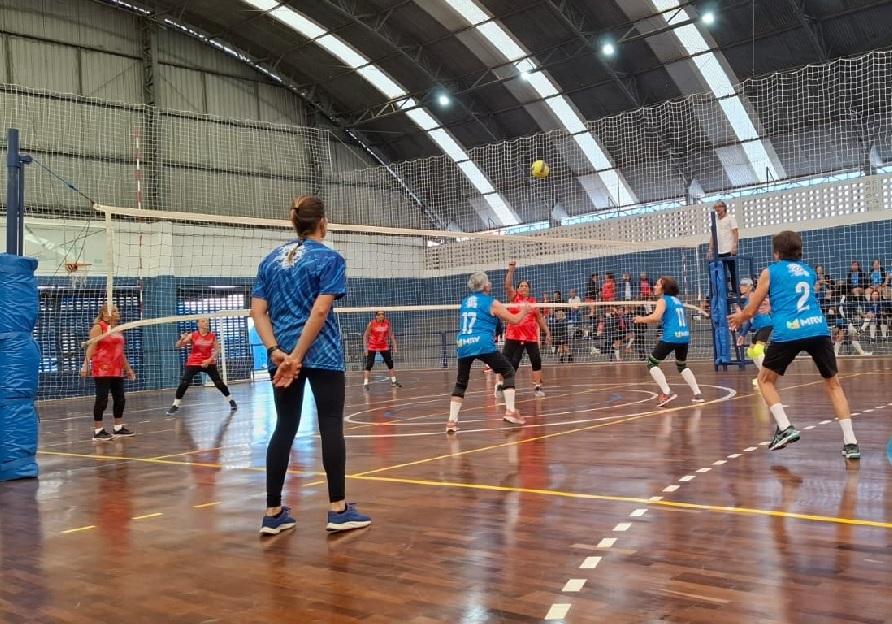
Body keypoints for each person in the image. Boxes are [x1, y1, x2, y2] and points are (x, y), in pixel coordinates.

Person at [251, 195, 371, 535]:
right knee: (331, 424)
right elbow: (320, 311)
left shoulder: (270, 260)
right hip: (322, 354)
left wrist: (277, 351)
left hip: (282, 355)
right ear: (322, 222)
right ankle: (337, 510)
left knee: (285, 428)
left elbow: (258, 312)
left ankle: (273, 513)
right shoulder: (329, 258)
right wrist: (298, 357)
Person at [728, 230, 860, 459]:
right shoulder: (808, 271)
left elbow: (751, 309)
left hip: (790, 330)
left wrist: (740, 318)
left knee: (765, 380)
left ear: (777, 253)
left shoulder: (770, 271)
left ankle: (785, 426)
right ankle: (851, 443)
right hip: (818, 328)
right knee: (834, 385)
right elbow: (795, 296)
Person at [447, 271, 531, 433]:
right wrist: (524, 311)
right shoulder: (491, 302)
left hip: (463, 342)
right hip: (482, 343)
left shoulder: (465, 302)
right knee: (508, 370)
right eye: (488, 281)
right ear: (486, 285)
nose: (490, 283)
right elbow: (514, 320)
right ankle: (510, 411)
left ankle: (451, 421)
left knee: (461, 383)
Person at [633, 276, 705, 406]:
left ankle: (667, 392)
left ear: (664, 288)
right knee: (682, 365)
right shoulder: (677, 300)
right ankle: (698, 393)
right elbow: (668, 318)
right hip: (683, 336)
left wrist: (640, 319)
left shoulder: (662, 300)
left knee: (651, 363)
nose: (654, 286)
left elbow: (656, 317)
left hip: (671, 336)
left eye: (657, 284)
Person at [494, 261, 551, 399]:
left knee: (536, 360)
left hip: (530, 337)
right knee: (510, 361)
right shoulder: (514, 298)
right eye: (521, 286)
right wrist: (511, 270)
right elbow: (507, 285)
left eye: (526, 286)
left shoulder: (533, 302)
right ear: (518, 289)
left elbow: (539, 319)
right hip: (513, 335)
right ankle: (500, 384)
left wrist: (547, 332)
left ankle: (538, 387)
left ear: (529, 289)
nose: (524, 287)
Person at [80, 304, 136, 441]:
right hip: (102, 368)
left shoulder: (118, 329)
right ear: (105, 314)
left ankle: (118, 427)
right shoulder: (99, 327)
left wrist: (128, 369)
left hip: (116, 369)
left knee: (120, 398)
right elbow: (91, 348)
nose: (118, 312)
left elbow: (120, 352)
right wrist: (85, 366)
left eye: (118, 310)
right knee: (102, 399)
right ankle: (98, 430)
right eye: (115, 311)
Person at [166, 317, 237, 415]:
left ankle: (231, 400)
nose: (206, 322)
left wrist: (209, 360)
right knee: (184, 383)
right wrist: (182, 339)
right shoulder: (193, 335)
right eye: (203, 321)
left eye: (207, 321)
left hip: (208, 362)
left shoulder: (212, 336)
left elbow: (217, 350)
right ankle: (175, 405)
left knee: (218, 382)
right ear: (198, 324)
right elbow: (178, 346)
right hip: (194, 363)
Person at [735, 277, 773, 386]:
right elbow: (750, 320)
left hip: (766, 325)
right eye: (741, 284)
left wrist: (740, 315)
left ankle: (765, 377)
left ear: (751, 287)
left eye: (744, 285)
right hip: (760, 327)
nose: (741, 286)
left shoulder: (753, 297)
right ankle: (763, 374)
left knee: (758, 350)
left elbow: (749, 315)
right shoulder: (748, 300)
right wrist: (742, 334)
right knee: (751, 352)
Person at [362, 311, 401, 390]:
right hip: (372, 346)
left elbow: (391, 334)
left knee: (390, 363)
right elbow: (365, 336)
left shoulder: (387, 323)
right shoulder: (371, 323)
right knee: (369, 364)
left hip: (384, 346)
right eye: (379, 314)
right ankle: (365, 383)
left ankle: (394, 381)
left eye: (383, 314)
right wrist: (365, 348)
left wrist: (395, 345)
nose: (382, 316)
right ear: (376, 316)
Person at [706, 201, 739, 290]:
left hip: (729, 250)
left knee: (733, 272)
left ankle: (735, 290)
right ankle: (723, 291)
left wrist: (734, 245)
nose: (717, 209)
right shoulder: (715, 221)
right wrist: (710, 249)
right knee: (720, 273)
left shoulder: (730, 218)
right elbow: (713, 236)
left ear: (724, 207)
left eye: (719, 206)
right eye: (715, 207)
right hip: (719, 251)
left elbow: (735, 232)